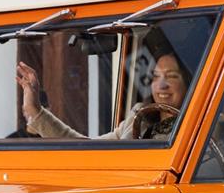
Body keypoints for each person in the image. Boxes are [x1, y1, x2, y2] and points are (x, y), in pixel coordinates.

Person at [15, 42, 189, 140]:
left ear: (188, 83)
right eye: (155, 77)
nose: (161, 85)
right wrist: (35, 110)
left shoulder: (194, 126)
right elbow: (89, 150)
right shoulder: (138, 116)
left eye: (171, 76)